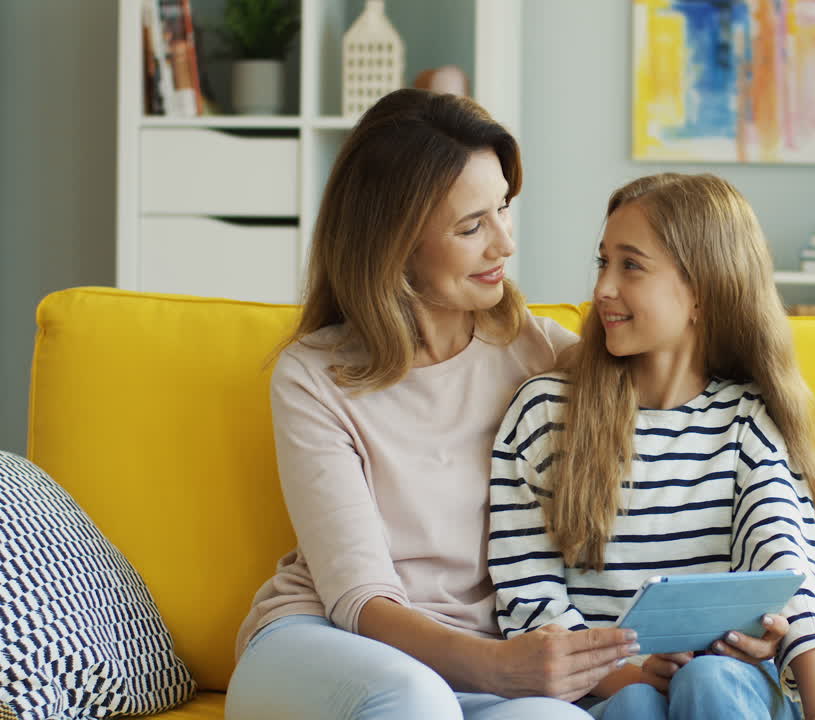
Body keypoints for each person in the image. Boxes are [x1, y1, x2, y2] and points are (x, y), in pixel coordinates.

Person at [224, 89, 642, 720]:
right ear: (394, 243)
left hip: (486, 670)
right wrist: (504, 666)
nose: (504, 244)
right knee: (413, 699)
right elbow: (357, 597)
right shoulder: (314, 375)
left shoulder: (542, 355)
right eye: (471, 226)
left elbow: (681, 426)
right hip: (328, 645)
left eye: (503, 209)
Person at [488, 173, 815, 720]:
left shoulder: (747, 421)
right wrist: (630, 673)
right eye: (602, 262)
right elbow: (532, 608)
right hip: (606, 697)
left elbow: (791, 574)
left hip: (732, 692)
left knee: (707, 679)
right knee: (636, 703)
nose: (604, 288)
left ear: (702, 290)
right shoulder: (545, 415)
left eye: (630, 265)